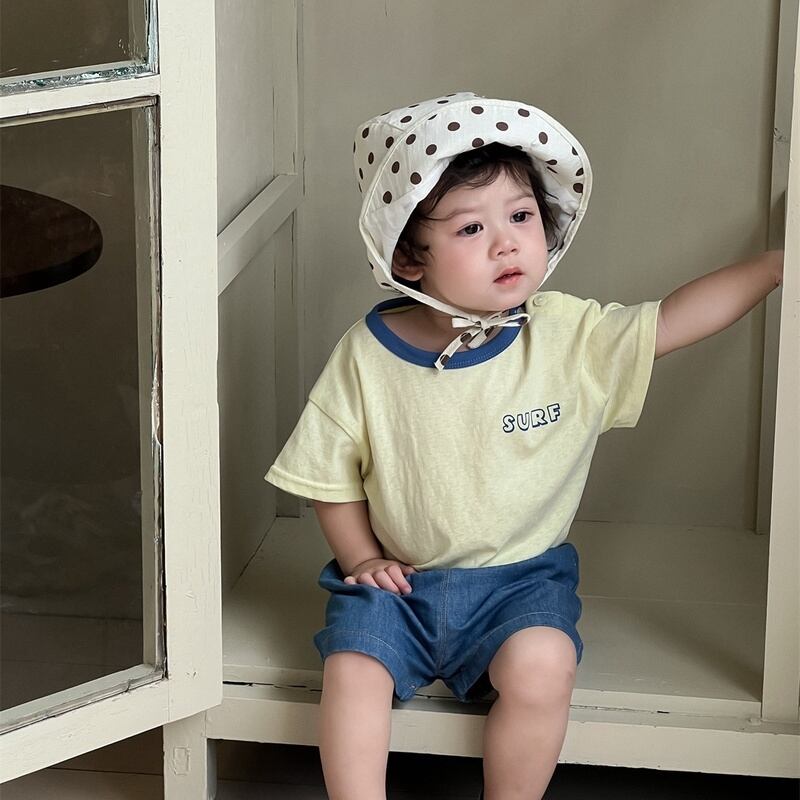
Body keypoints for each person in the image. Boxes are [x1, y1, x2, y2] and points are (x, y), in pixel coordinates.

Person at [265, 91, 784, 800]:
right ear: (409, 258)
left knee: (543, 668)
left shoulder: (567, 336)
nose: (506, 242)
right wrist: (361, 559)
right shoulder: (366, 354)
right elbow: (331, 474)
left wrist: (776, 265)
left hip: (520, 583)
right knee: (352, 672)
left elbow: (671, 321)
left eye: (520, 217)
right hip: (401, 587)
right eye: (470, 228)